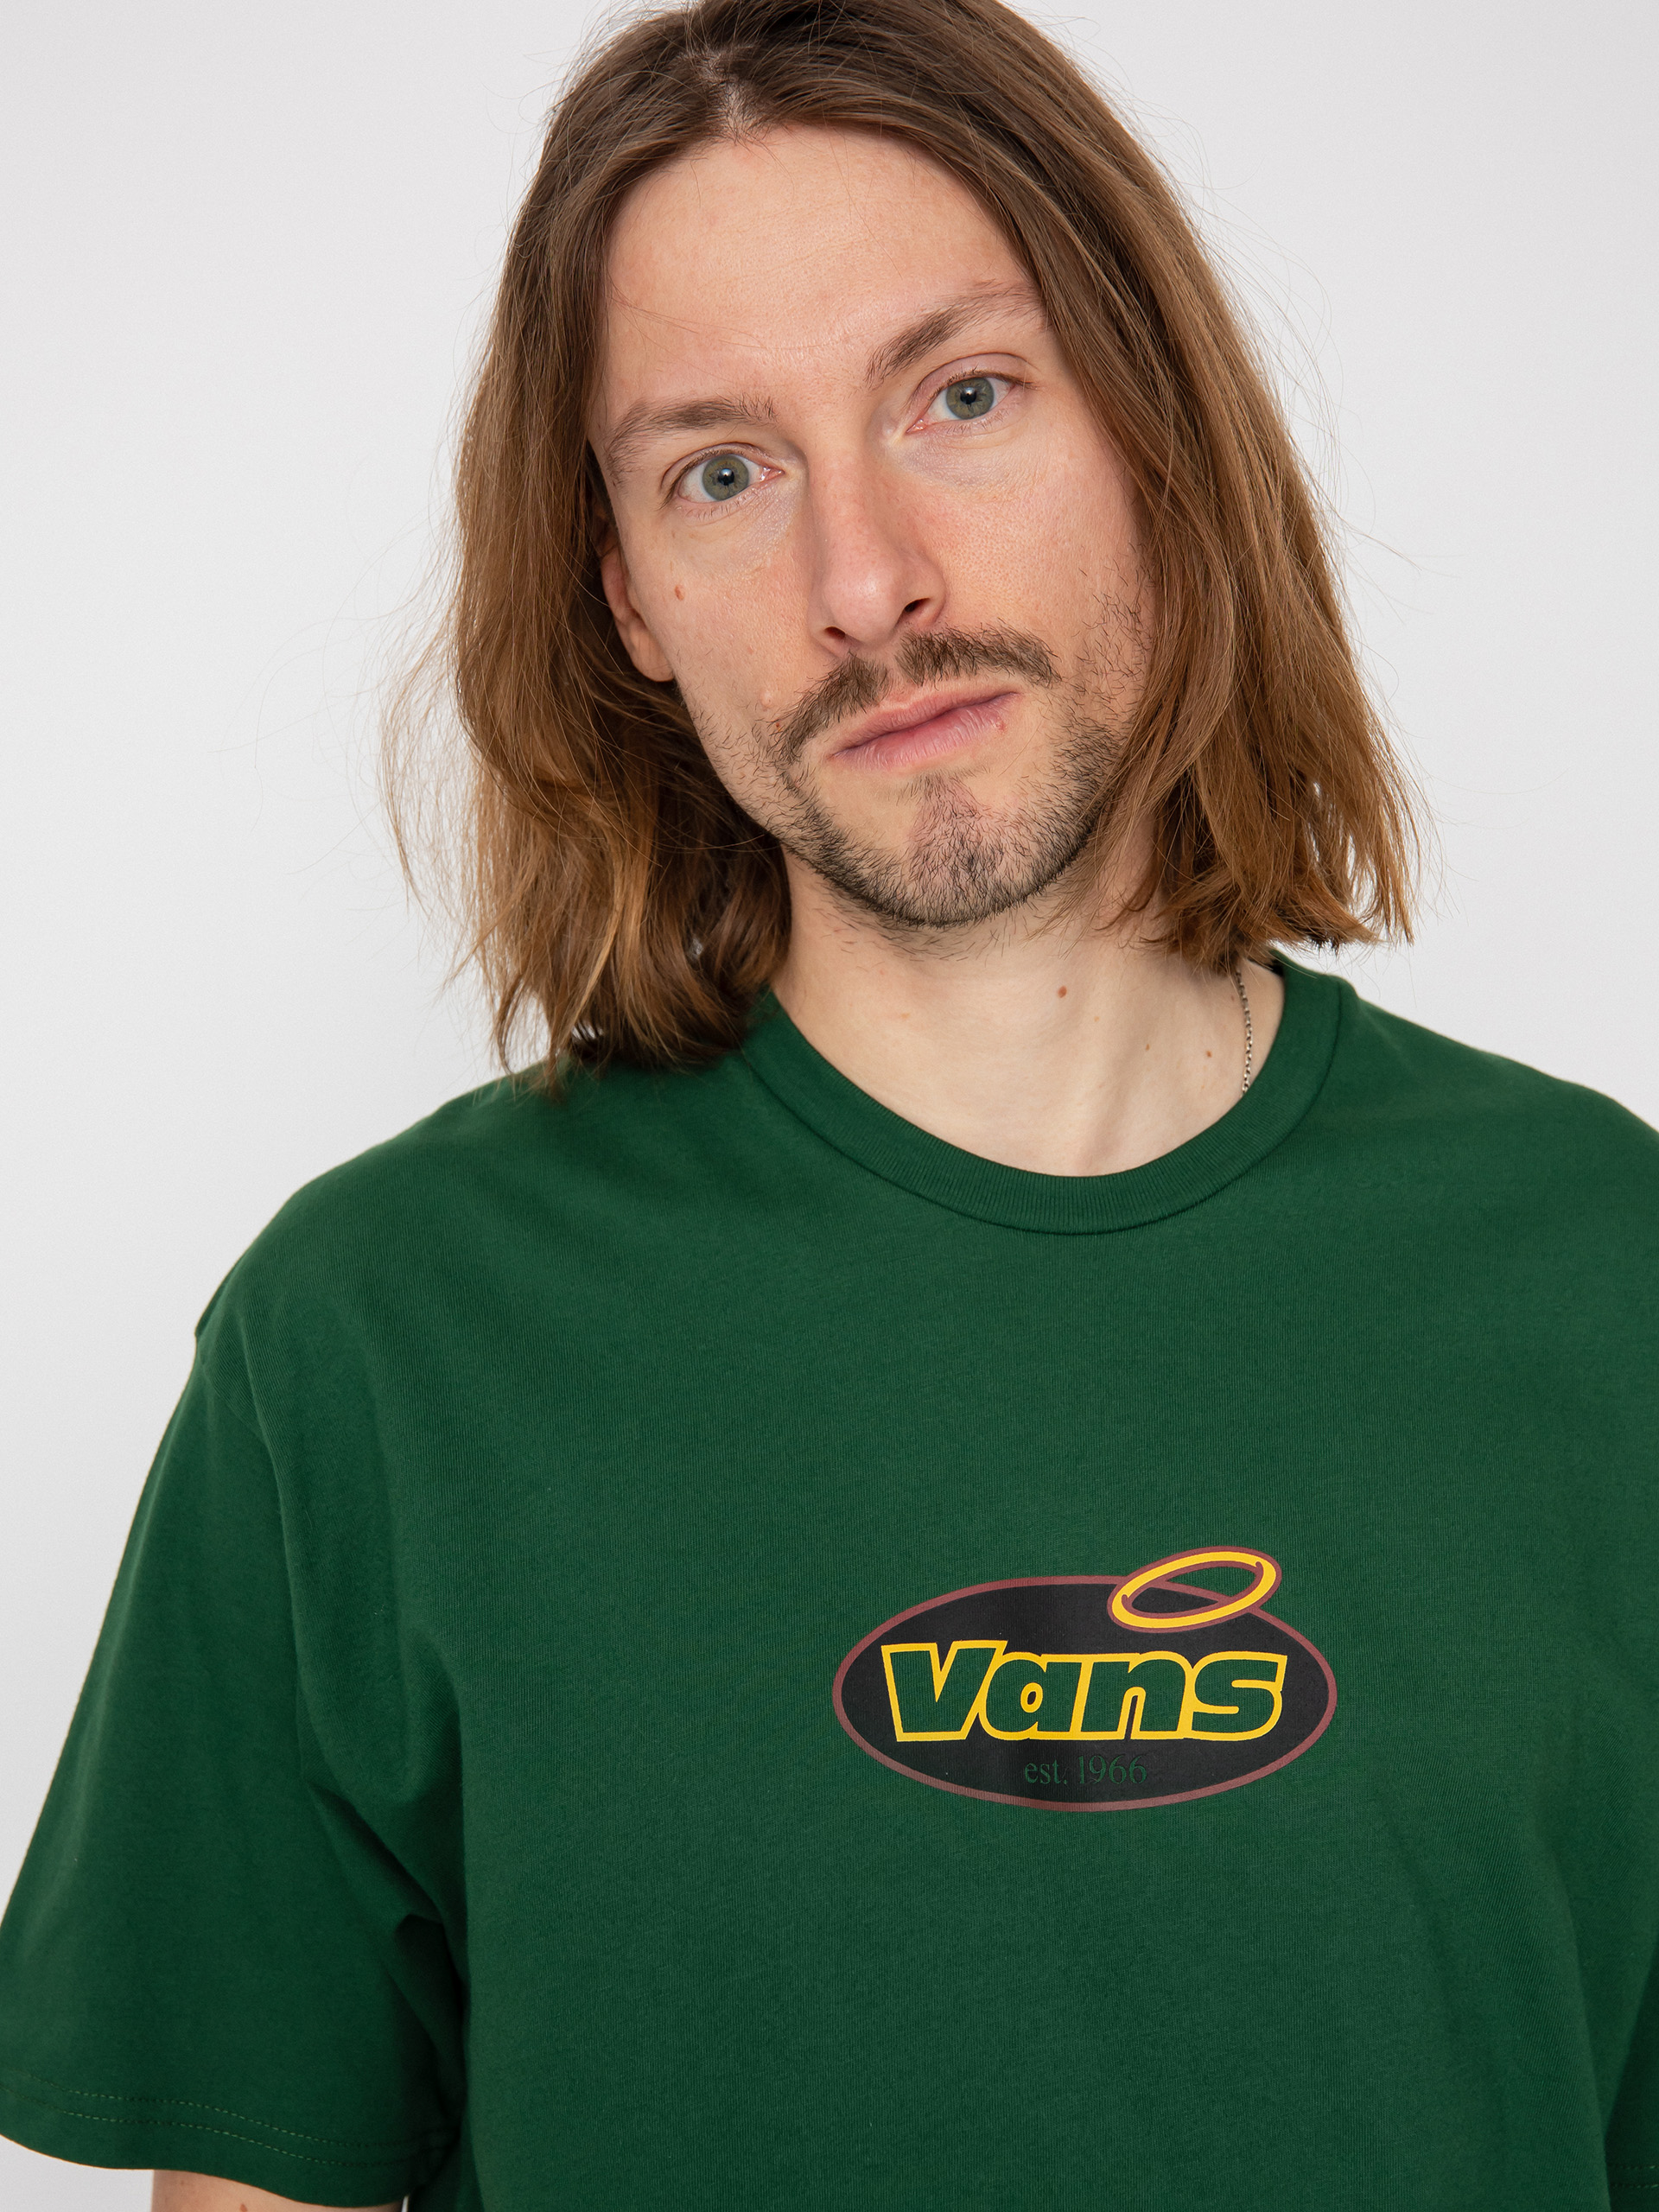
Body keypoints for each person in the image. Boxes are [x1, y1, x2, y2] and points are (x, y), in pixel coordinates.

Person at [2, 0, 1656, 2204]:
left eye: (961, 395)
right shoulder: (374, 1344)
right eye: (723, 469)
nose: (865, 582)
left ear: (1157, 438)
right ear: (630, 599)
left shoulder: (1608, 1278)